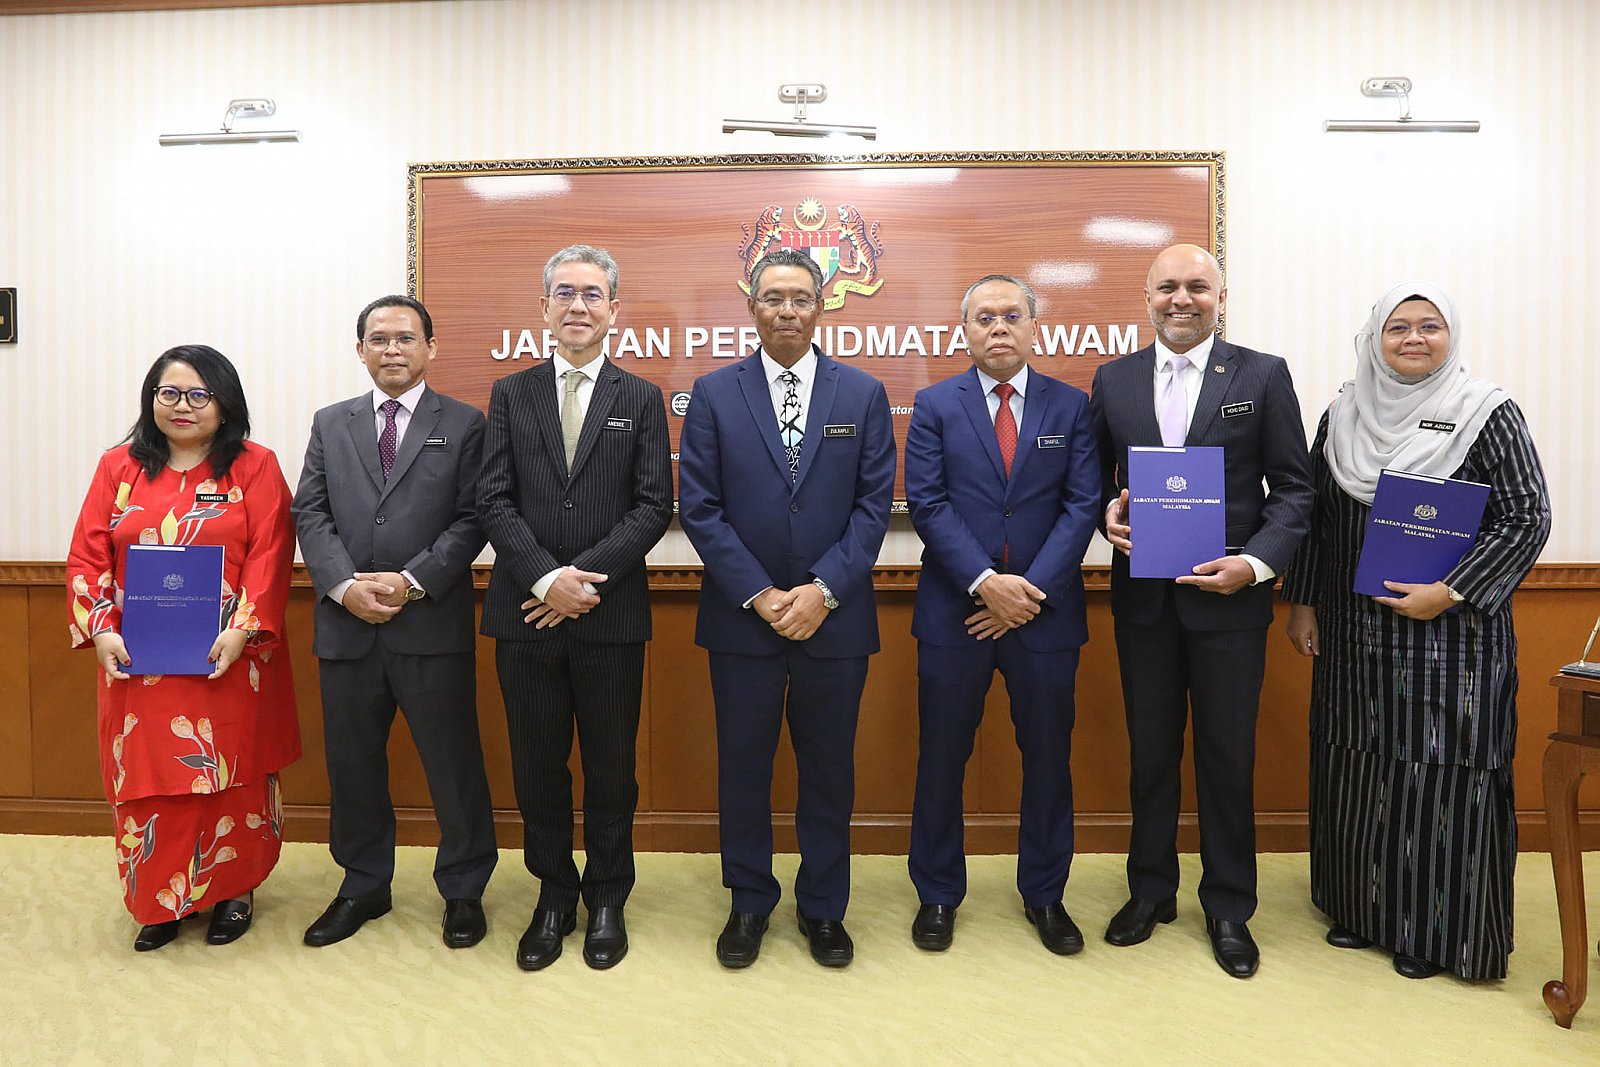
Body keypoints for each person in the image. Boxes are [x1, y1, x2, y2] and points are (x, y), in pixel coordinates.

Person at [1282, 283, 1550, 981]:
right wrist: (1302, 603)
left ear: (1450, 335)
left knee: (1437, 774)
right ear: (1375, 338)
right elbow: (1315, 516)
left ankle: (1431, 933)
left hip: (1450, 640)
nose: (1413, 338)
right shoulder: (1343, 414)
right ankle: (1360, 909)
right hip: (1353, 633)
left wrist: (1450, 590)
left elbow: (1527, 517)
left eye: (1429, 326)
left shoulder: (1485, 412)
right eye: (1398, 327)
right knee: (1355, 765)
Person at [1089, 244, 1313, 978]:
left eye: (1196, 287)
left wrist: (1255, 563)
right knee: (1150, 754)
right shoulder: (1114, 379)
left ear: (1221, 296)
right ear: (1147, 296)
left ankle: (1228, 905)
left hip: (1231, 603)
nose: (1180, 299)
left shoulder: (1263, 374)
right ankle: (1151, 891)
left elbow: (1294, 489)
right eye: (1167, 287)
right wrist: (1106, 516)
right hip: (1144, 602)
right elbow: (1095, 482)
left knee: (1227, 756)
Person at [679, 248, 895, 970]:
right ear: (752, 307)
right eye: (773, 298)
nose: (787, 311)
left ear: (822, 306)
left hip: (836, 620)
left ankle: (823, 906)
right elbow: (700, 507)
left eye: (801, 298)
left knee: (829, 771)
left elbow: (873, 508)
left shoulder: (863, 393)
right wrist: (763, 593)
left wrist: (822, 590)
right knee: (742, 768)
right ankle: (748, 901)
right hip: (744, 620)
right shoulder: (714, 393)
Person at [67, 345, 300, 951]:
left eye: (199, 394)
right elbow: (88, 556)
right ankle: (161, 899)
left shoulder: (255, 467)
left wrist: (243, 628)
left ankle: (234, 891)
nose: (182, 406)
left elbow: (272, 553)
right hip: (137, 662)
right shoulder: (118, 468)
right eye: (168, 393)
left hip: (228, 656)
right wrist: (101, 627)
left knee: (230, 774)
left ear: (225, 404)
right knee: (151, 779)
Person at [479, 244, 673, 971]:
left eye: (593, 294)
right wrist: (543, 579)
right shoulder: (510, 392)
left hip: (609, 616)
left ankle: (608, 897)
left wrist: (581, 583)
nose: (579, 306)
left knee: (612, 769)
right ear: (544, 308)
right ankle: (554, 894)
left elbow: (652, 505)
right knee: (538, 767)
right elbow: (492, 497)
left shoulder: (641, 396)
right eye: (565, 293)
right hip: (524, 616)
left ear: (614, 310)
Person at [292, 295, 498, 950]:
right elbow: (310, 512)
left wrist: (412, 580)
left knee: (453, 764)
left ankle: (463, 889)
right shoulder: (331, 423)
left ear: (431, 348)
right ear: (360, 350)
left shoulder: (465, 423)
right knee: (352, 765)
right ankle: (363, 883)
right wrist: (343, 585)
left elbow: (474, 517)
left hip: (429, 624)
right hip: (347, 627)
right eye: (378, 338)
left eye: (406, 337)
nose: (392, 349)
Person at [903, 275, 1100, 955]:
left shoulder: (1071, 405)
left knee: (1047, 758)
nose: (998, 328)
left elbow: (1082, 504)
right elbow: (927, 503)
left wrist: (1027, 594)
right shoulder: (935, 405)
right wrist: (988, 585)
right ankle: (937, 893)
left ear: (1033, 327)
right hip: (954, 614)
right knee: (941, 758)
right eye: (984, 317)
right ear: (964, 330)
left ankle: (1045, 893)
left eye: (1012, 316)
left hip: (1046, 617)